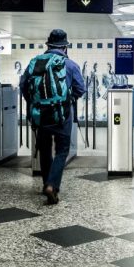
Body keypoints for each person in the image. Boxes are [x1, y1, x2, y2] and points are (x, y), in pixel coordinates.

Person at [20, 29, 85, 205]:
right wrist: (68, 99)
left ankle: (45, 184)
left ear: (48, 45)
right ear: (65, 47)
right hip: (62, 114)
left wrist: (34, 103)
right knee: (62, 150)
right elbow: (81, 88)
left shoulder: (35, 62)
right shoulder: (70, 65)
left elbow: (23, 86)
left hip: (40, 115)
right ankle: (52, 185)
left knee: (45, 149)